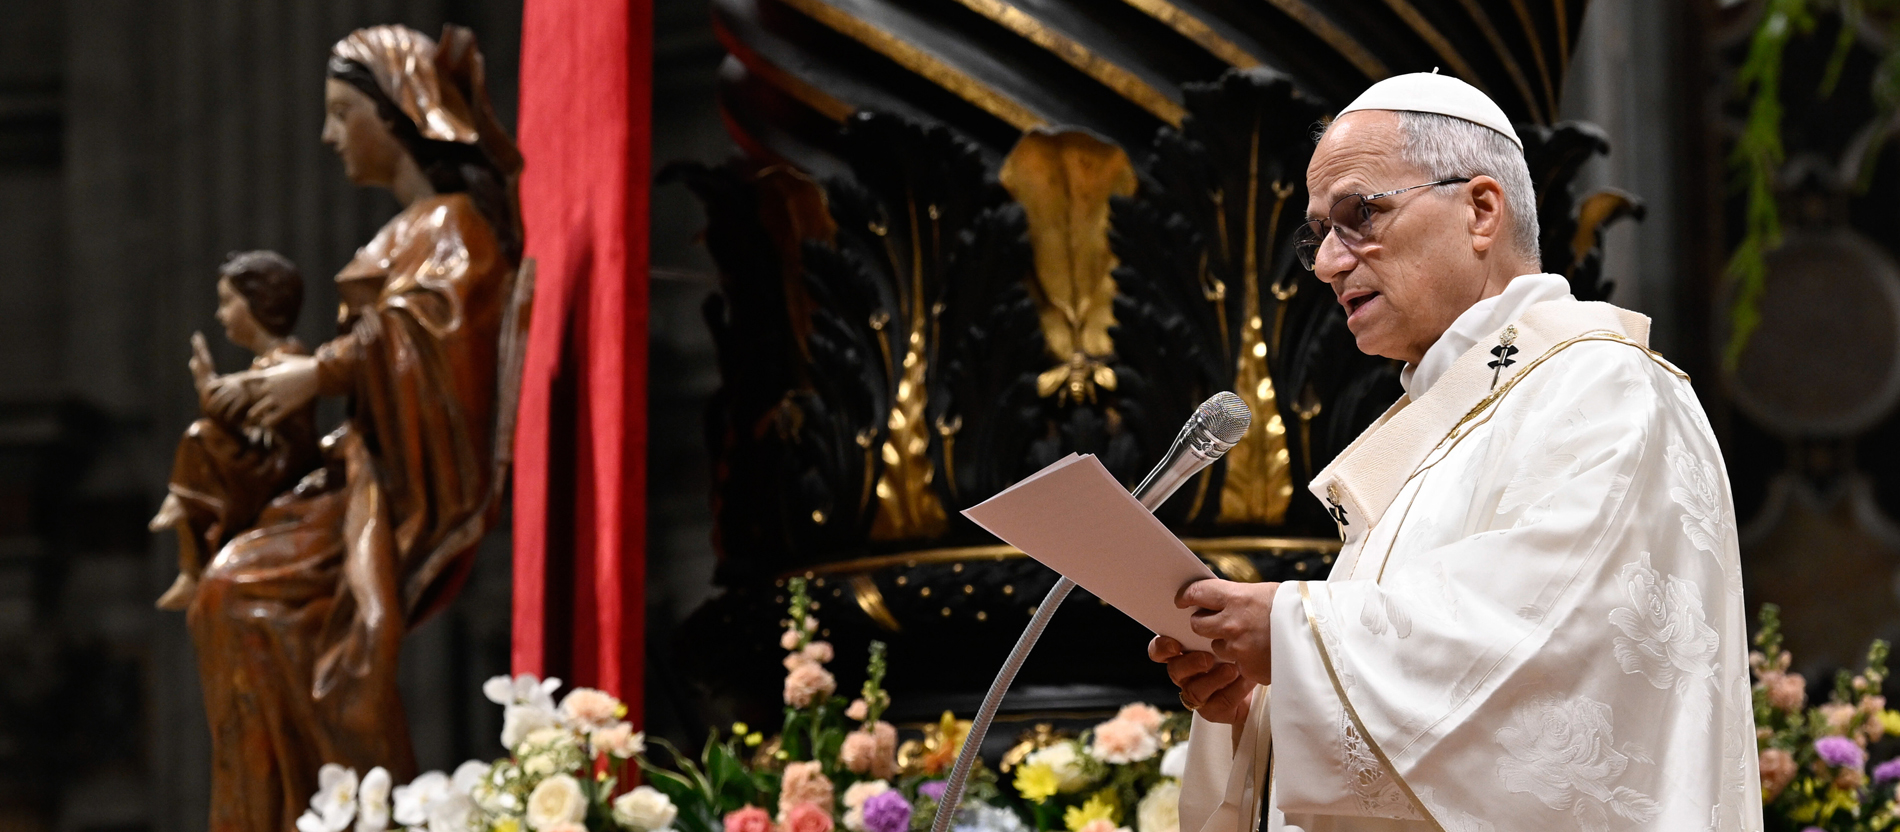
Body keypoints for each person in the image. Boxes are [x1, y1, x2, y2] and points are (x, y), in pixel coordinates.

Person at [1150, 73, 1762, 831]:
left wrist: (1292, 636)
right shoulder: (1448, 417)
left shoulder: (1602, 386)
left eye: (1359, 215)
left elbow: (1558, 652)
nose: (1326, 264)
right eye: (1318, 234)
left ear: (1480, 210)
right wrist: (1263, 706)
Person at [180, 25, 522, 832]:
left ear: (398, 112)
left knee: (250, 599)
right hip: (362, 465)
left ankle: (334, 806)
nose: (329, 136)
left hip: (399, 481)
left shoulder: (455, 228)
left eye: (341, 113)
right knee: (226, 592)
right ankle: (285, 805)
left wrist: (321, 374)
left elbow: (432, 338)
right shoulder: (405, 235)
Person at [150, 250, 319, 610]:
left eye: (227, 301)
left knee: (201, 437)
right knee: (204, 439)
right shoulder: (267, 361)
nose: (219, 313)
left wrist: (207, 382)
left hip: (282, 469)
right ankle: (189, 550)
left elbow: (227, 403)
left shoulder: (290, 360)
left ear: (259, 303)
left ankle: (187, 537)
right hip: (266, 461)